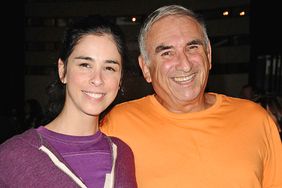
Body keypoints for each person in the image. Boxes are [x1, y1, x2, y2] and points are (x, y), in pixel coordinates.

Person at [100, 5, 282, 188]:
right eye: (167, 53)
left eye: (192, 47)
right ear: (146, 68)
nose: (185, 65)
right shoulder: (117, 125)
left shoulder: (256, 120)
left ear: (209, 55)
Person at [0, 16, 137, 188]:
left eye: (109, 68)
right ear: (62, 70)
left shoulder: (123, 154)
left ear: (120, 79)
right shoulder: (13, 157)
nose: (97, 79)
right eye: (85, 65)